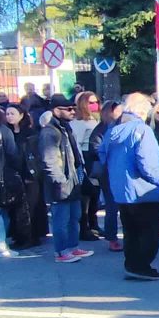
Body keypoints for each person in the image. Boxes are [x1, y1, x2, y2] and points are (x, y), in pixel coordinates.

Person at [100, 93, 159, 280]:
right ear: (141, 110)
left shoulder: (112, 130)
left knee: (131, 231)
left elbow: (102, 157)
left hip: (122, 190)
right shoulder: (141, 130)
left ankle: (132, 264)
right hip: (145, 191)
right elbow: (148, 163)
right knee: (150, 232)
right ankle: (141, 266)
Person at [39, 95, 93, 264]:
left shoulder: (65, 127)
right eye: (68, 109)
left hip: (74, 178)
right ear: (56, 110)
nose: (72, 111)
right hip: (62, 181)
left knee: (74, 216)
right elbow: (49, 160)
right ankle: (61, 251)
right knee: (61, 219)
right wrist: (60, 180)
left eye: (74, 108)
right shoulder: (50, 131)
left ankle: (73, 246)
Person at [5, 104, 45, 247]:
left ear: (21, 115)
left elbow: (34, 155)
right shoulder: (6, 131)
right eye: (7, 113)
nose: (9, 116)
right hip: (13, 174)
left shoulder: (30, 133)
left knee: (29, 207)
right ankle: (18, 235)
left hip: (29, 174)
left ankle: (31, 237)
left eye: (12, 113)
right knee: (15, 207)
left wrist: (32, 173)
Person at [89, 101, 124, 252]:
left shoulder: (120, 126)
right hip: (107, 172)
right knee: (112, 206)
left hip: (120, 170)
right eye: (116, 111)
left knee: (123, 205)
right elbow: (95, 150)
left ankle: (123, 235)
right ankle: (112, 237)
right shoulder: (101, 129)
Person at [70, 91, 102, 241]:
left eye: (96, 102)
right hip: (85, 160)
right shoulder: (78, 123)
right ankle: (85, 228)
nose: (94, 105)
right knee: (86, 197)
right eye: (90, 102)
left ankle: (94, 224)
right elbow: (76, 144)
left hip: (96, 160)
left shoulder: (96, 120)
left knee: (95, 195)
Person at [0, 110, 22, 258]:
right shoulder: (4, 131)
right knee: (2, 211)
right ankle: (1, 244)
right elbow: (13, 155)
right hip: (2, 176)